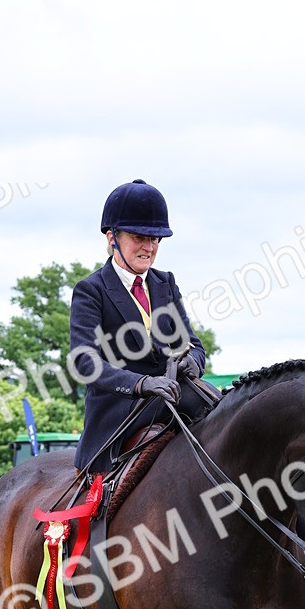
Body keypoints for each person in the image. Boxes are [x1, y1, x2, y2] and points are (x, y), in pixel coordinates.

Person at [70, 179, 220, 474]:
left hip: (171, 394)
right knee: (194, 398)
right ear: (112, 237)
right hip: (120, 407)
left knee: (223, 405)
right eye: (139, 237)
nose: (149, 248)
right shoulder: (91, 290)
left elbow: (193, 345)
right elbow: (85, 362)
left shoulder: (166, 283)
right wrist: (141, 384)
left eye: (156, 239)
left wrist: (191, 362)